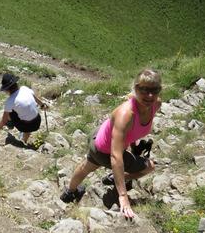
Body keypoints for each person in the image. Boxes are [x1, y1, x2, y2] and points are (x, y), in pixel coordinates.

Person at [60, 69, 162, 220]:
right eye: (144, 90)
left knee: (87, 166)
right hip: (105, 150)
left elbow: (131, 130)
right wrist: (123, 196)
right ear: (136, 89)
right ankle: (117, 178)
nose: (150, 95)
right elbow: (116, 156)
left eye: (155, 90)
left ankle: (69, 192)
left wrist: (134, 146)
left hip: (99, 138)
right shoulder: (126, 114)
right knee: (150, 166)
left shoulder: (155, 105)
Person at [0, 73, 46, 145]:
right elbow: (36, 99)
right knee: (27, 113)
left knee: (10, 112)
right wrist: (43, 105)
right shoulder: (25, 88)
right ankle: (24, 140)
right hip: (37, 122)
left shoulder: (10, 101)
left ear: (7, 89)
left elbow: (4, 120)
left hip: (25, 127)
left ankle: (10, 124)